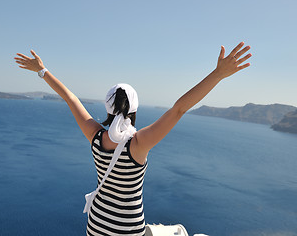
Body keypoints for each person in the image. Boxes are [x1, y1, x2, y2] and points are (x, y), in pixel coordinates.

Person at [14, 42, 252, 235]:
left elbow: (71, 99)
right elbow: (179, 108)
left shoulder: (95, 137)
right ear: (135, 110)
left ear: (108, 109)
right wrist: (218, 74)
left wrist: (42, 71)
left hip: (96, 226)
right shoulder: (138, 144)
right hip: (127, 231)